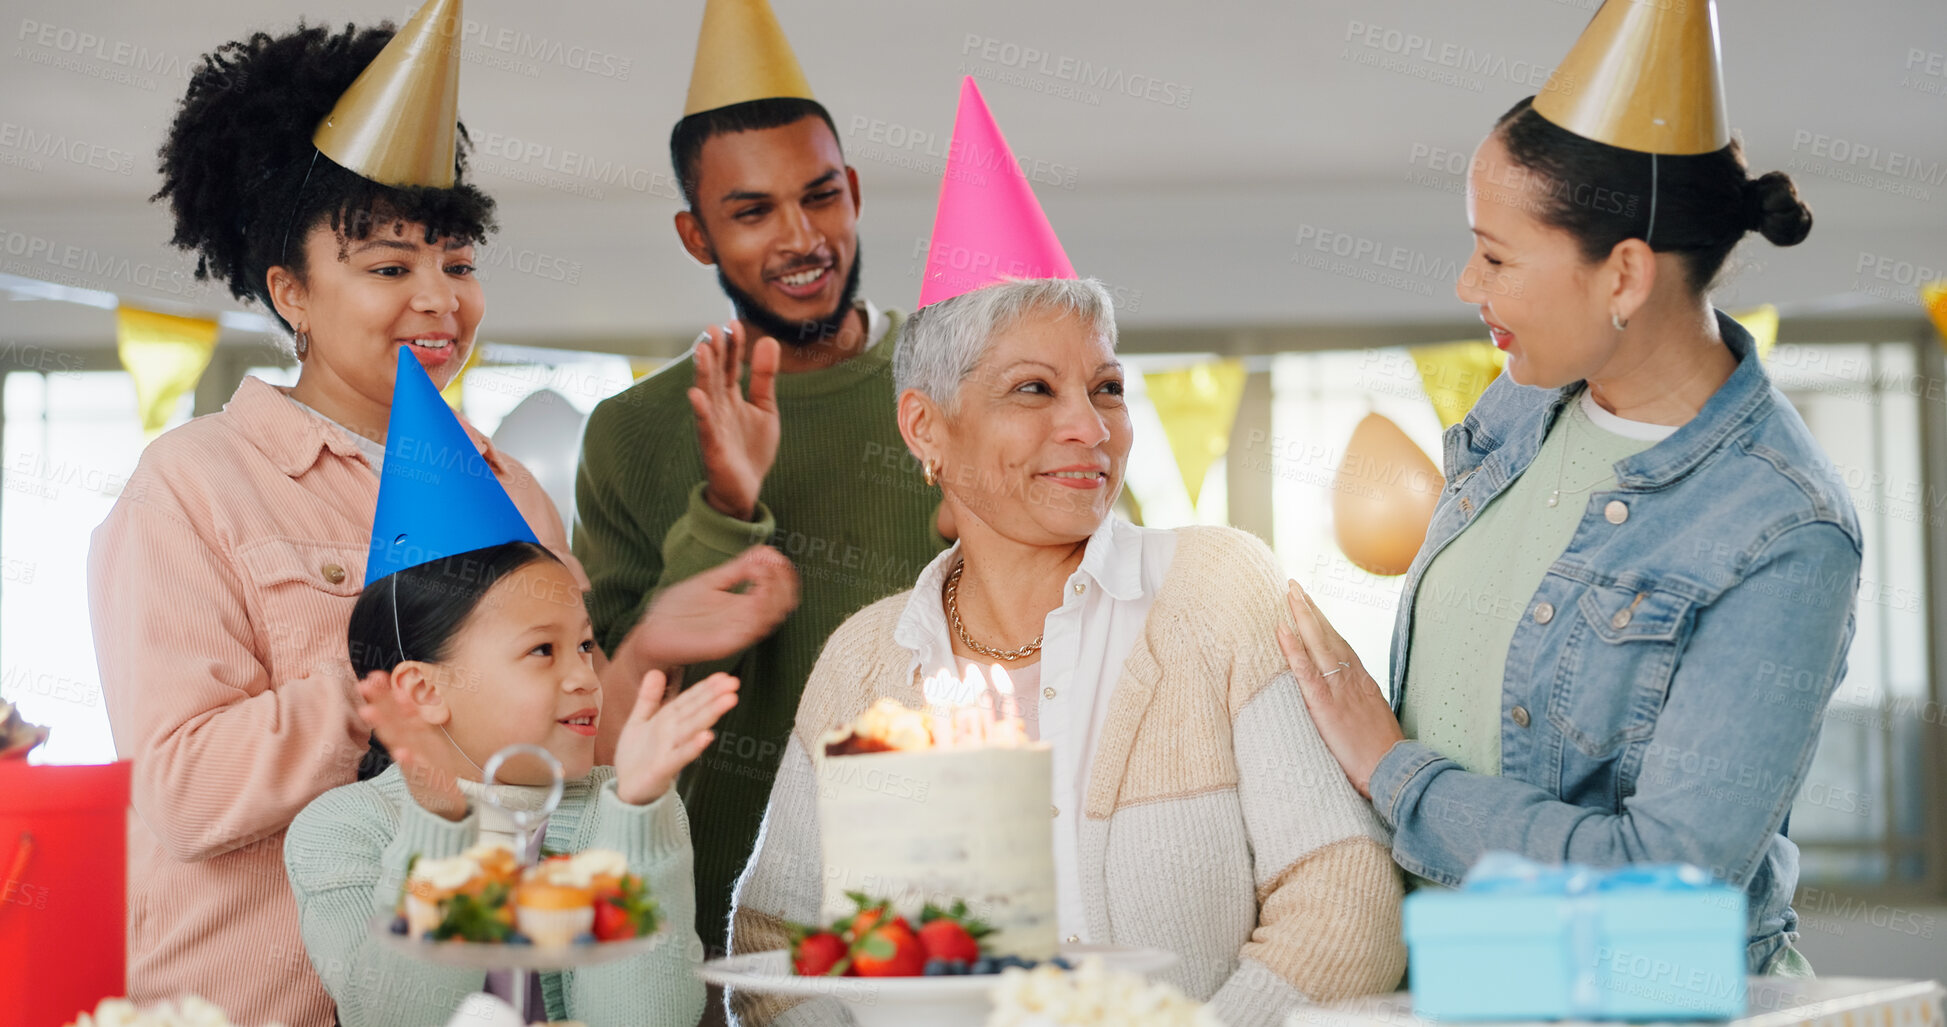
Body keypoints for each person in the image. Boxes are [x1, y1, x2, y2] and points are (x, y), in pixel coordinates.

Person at [87, 7, 791, 1023]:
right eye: (387, 267)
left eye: (458, 264)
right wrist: (404, 694)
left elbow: (563, 754)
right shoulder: (193, 485)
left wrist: (644, 643)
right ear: (291, 292)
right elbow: (183, 791)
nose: (439, 301)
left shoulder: (514, 494)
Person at [728, 79, 1406, 1027]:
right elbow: (773, 950)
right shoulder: (864, 664)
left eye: (1107, 388)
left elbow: (1343, 895)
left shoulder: (1220, 591)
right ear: (926, 427)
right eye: (1034, 390)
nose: (1088, 428)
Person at [1275, 0, 1857, 977]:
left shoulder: (1784, 529)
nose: (1468, 283)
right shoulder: (1523, 399)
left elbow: (1667, 875)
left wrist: (1394, 771)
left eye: (1497, 255)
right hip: (1461, 985)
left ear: (1624, 275)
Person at [574, 0, 946, 961]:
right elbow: (608, 724)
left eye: (820, 195)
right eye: (750, 211)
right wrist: (728, 509)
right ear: (696, 234)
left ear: (854, 191)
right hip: (712, 925)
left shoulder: (969, 383)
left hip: (950, 900)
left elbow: (1089, 607)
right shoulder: (632, 433)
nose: (801, 237)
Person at [286, 352, 725, 1027]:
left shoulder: (622, 806)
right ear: (422, 690)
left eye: (584, 643)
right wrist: (443, 830)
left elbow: (648, 1018)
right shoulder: (344, 830)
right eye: (542, 650)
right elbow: (395, 1018)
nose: (584, 673)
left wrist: (637, 811)